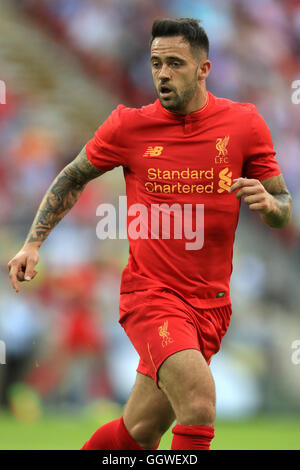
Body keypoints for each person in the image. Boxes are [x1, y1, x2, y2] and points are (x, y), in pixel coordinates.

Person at [8, 18, 292, 451]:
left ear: (204, 69)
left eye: (175, 63)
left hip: (212, 305)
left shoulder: (244, 125)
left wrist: (271, 207)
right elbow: (71, 177)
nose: (162, 73)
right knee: (198, 405)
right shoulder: (128, 126)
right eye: (156, 63)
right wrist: (32, 242)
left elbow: (282, 207)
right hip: (152, 296)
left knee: (138, 431)